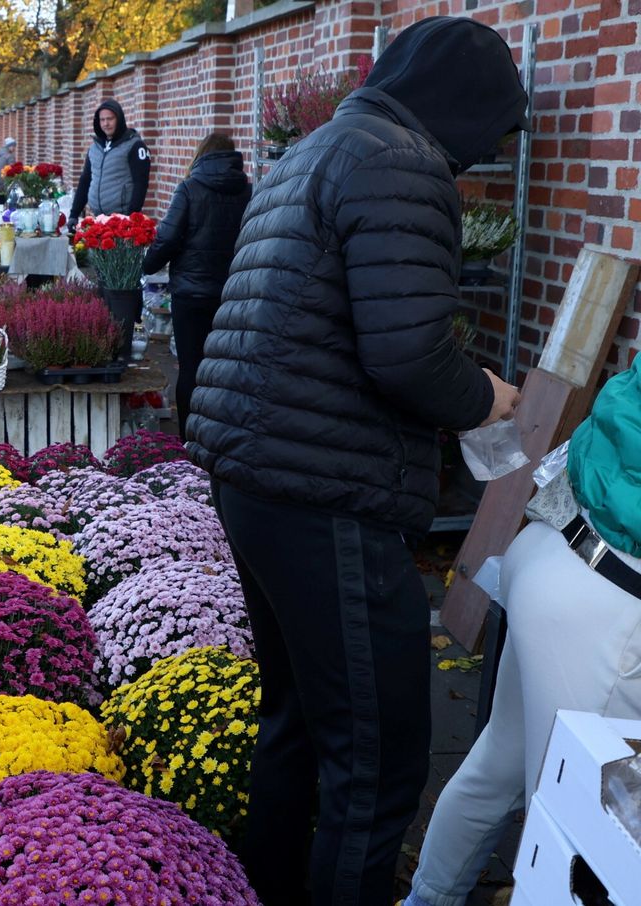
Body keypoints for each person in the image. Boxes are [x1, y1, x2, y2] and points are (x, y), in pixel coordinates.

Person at [186, 16, 527, 906]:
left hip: (258, 475)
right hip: (325, 493)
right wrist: (486, 396)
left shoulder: (318, 148)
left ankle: (267, 888)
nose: (488, 153)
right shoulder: (402, 163)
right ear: (461, 105)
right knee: (375, 761)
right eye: (494, 128)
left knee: (297, 722)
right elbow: (410, 353)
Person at [405, 357, 641, 906]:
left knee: (502, 761)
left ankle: (428, 899)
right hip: (605, 608)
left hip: (555, 548)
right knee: (578, 842)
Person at [141, 132, 250, 438]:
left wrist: (147, 265)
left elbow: (168, 238)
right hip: (233, 293)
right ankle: (224, 432)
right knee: (227, 367)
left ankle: (190, 438)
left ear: (201, 153)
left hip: (191, 293)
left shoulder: (190, 188)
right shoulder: (248, 191)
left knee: (190, 366)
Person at [68, 100, 150, 223]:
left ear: (119, 119)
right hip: (98, 218)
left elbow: (141, 184)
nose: (106, 123)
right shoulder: (95, 147)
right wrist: (74, 214)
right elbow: (85, 180)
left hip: (122, 221)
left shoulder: (135, 145)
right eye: (102, 120)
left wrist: (130, 218)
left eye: (110, 119)